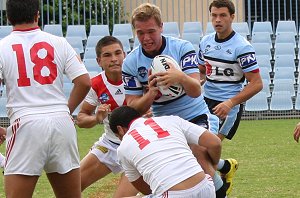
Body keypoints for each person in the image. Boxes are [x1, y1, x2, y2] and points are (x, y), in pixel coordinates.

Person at [122, 3, 231, 197]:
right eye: (140, 33)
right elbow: (133, 108)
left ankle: (220, 185)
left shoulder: (181, 47)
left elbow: (196, 90)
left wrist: (179, 77)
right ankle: (223, 168)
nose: (146, 38)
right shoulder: (131, 62)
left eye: (151, 31)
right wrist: (151, 94)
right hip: (164, 124)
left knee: (198, 155)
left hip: (194, 115)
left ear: (161, 26)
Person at [0, 0, 91, 197]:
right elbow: (84, 82)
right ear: (37, 14)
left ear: (8, 17)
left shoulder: (2, 46)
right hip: (61, 123)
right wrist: (66, 110)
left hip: (25, 124)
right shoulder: (59, 42)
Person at [198, 0, 263, 194]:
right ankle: (226, 167)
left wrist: (231, 102)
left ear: (232, 17)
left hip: (228, 107)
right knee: (196, 149)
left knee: (202, 151)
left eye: (223, 15)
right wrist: (196, 82)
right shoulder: (205, 42)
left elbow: (257, 83)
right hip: (203, 102)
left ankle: (219, 189)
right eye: (214, 15)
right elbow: (202, 71)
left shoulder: (242, 47)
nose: (217, 20)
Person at [109, 106, 221, 198]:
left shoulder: (123, 147)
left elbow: (144, 188)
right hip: (206, 187)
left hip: (172, 194)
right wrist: (214, 164)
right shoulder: (171, 120)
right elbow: (215, 143)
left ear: (120, 129)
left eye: (117, 136)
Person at [76, 36, 138, 197]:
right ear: (98, 61)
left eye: (118, 53)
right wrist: (96, 118)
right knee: (69, 188)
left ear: (125, 54)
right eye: (107, 55)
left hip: (138, 146)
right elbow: (81, 119)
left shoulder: (137, 78)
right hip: (110, 145)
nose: (114, 59)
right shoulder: (95, 84)